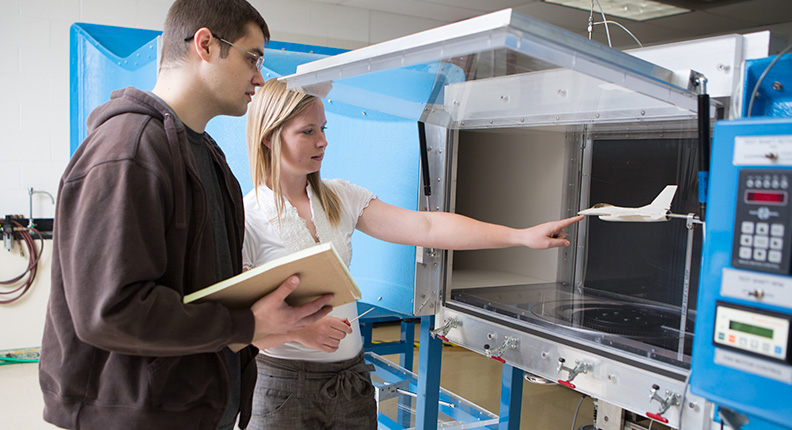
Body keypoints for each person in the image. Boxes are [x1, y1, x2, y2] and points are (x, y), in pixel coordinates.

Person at [39, 1, 334, 429]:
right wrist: (243, 322)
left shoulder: (207, 155)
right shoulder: (129, 150)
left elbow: (194, 287)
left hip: (195, 407)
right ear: (206, 45)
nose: (260, 77)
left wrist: (261, 315)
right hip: (135, 417)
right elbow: (111, 310)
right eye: (252, 57)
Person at [242, 78, 585, 429]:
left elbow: (428, 228)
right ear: (269, 136)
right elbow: (230, 328)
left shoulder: (339, 197)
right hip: (281, 387)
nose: (323, 140)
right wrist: (297, 333)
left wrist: (520, 236)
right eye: (308, 131)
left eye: (324, 128)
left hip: (351, 381)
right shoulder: (246, 218)